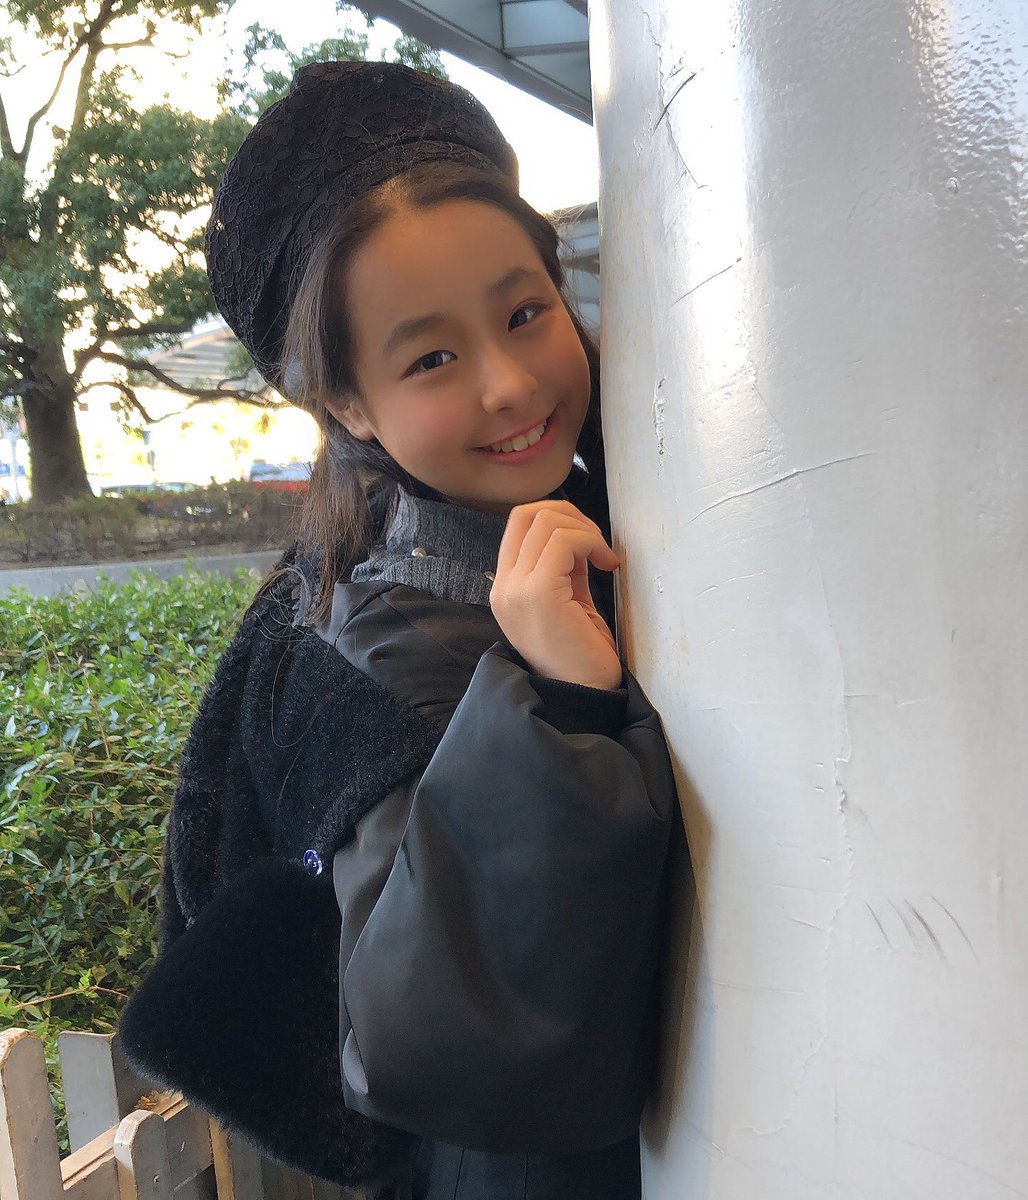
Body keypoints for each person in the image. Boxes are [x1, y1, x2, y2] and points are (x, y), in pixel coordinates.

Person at [118, 61, 680, 1200]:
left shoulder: (599, 509)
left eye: (523, 313)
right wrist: (560, 704)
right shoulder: (383, 660)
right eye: (431, 358)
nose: (509, 384)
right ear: (347, 404)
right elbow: (444, 1044)